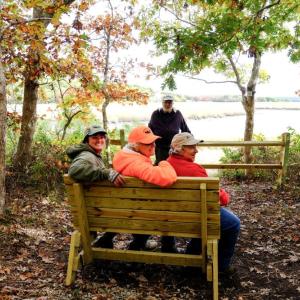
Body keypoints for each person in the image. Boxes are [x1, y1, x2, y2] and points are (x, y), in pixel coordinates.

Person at [167, 132, 240, 272]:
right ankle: (222, 267)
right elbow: (223, 200)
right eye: (191, 147)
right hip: (196, 217)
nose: (196, 150)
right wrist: (223, 192)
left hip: (173, 217)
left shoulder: (165, 165)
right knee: (233, 223)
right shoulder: (195, 170)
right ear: (179, 148)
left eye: (196, 146)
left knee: (206, 220)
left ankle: (192, 254)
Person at [113, 125, 177, 251]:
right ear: (135, 145)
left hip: (124, 207)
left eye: (153, 141)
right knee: (168, 206)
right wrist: (164, 163)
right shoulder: (137, 164)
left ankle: (138, 243)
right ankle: (167, 247)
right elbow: (166, 178)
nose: (153, 145)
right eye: (148, 143)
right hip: (137, 212)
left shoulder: (121, 156)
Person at [66, 125, 125, 248]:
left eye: (102, 137)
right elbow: (75, 170)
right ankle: (138, 242)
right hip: (98, 213)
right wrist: (106, 172)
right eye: (95, 137)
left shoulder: (92, 154)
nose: (99, 140)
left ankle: (105, 242)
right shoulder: (87, 155)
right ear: (87, 140)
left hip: (92, 210)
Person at [148, 94, 191, 164]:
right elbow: (150, 130)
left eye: (170, 102)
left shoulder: (177, 114)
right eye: (166, 102)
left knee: (174, 166)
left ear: (172, 103)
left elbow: (185, 129)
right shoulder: (156, 114)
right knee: (161, 165)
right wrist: (149, 143)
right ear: (162, 103)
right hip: (160, 147)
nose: (168, 104)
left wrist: (191, 140)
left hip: (174, 147)